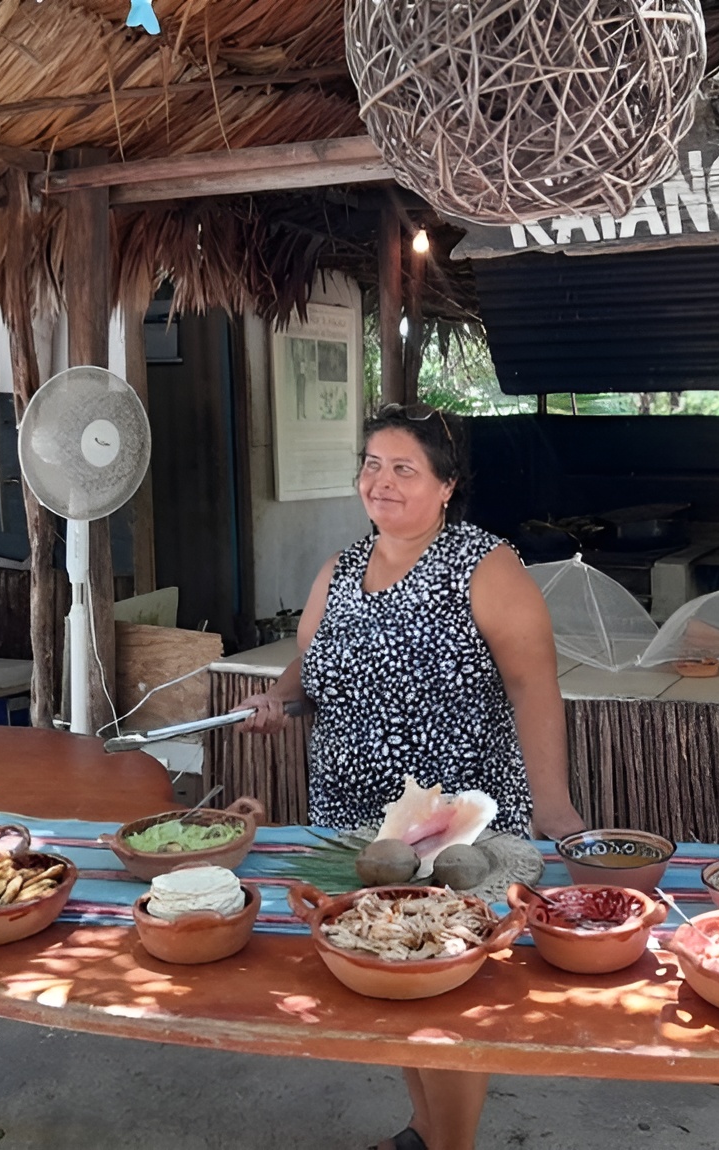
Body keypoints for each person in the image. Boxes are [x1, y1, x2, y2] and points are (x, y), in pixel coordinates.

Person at [236, 402, 585, 1150]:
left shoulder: (484, 565)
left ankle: (450, 1144)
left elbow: (535, 687)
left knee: (450, 987)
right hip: (355, 818)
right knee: (390, 967)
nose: (381, 482)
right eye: (371, 464)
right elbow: (315, 668)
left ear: (446, 485)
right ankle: (425, 1131)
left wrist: (555, 809)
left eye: (404, 468)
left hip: (455, 825)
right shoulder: (341, 567)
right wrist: (278, 698)